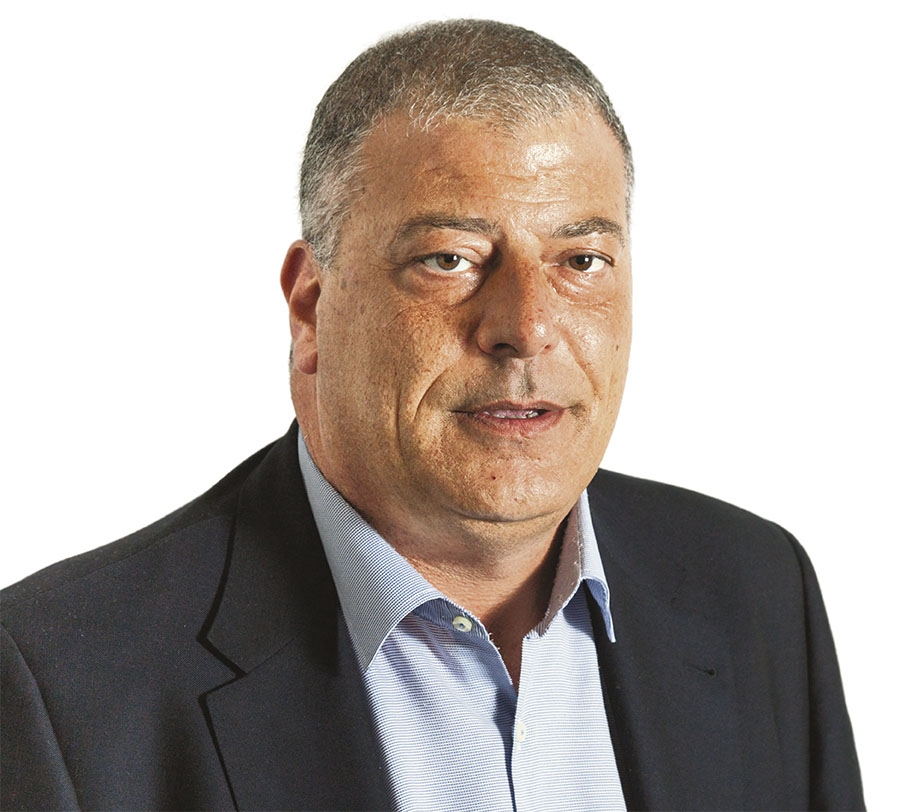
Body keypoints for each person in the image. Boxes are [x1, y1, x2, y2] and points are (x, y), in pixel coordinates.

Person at [0, 19, 863, 812]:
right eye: (449, 259)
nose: (525, 326)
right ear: (310, 308)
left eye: (580, 259)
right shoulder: (60, 684)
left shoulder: (754, 588)